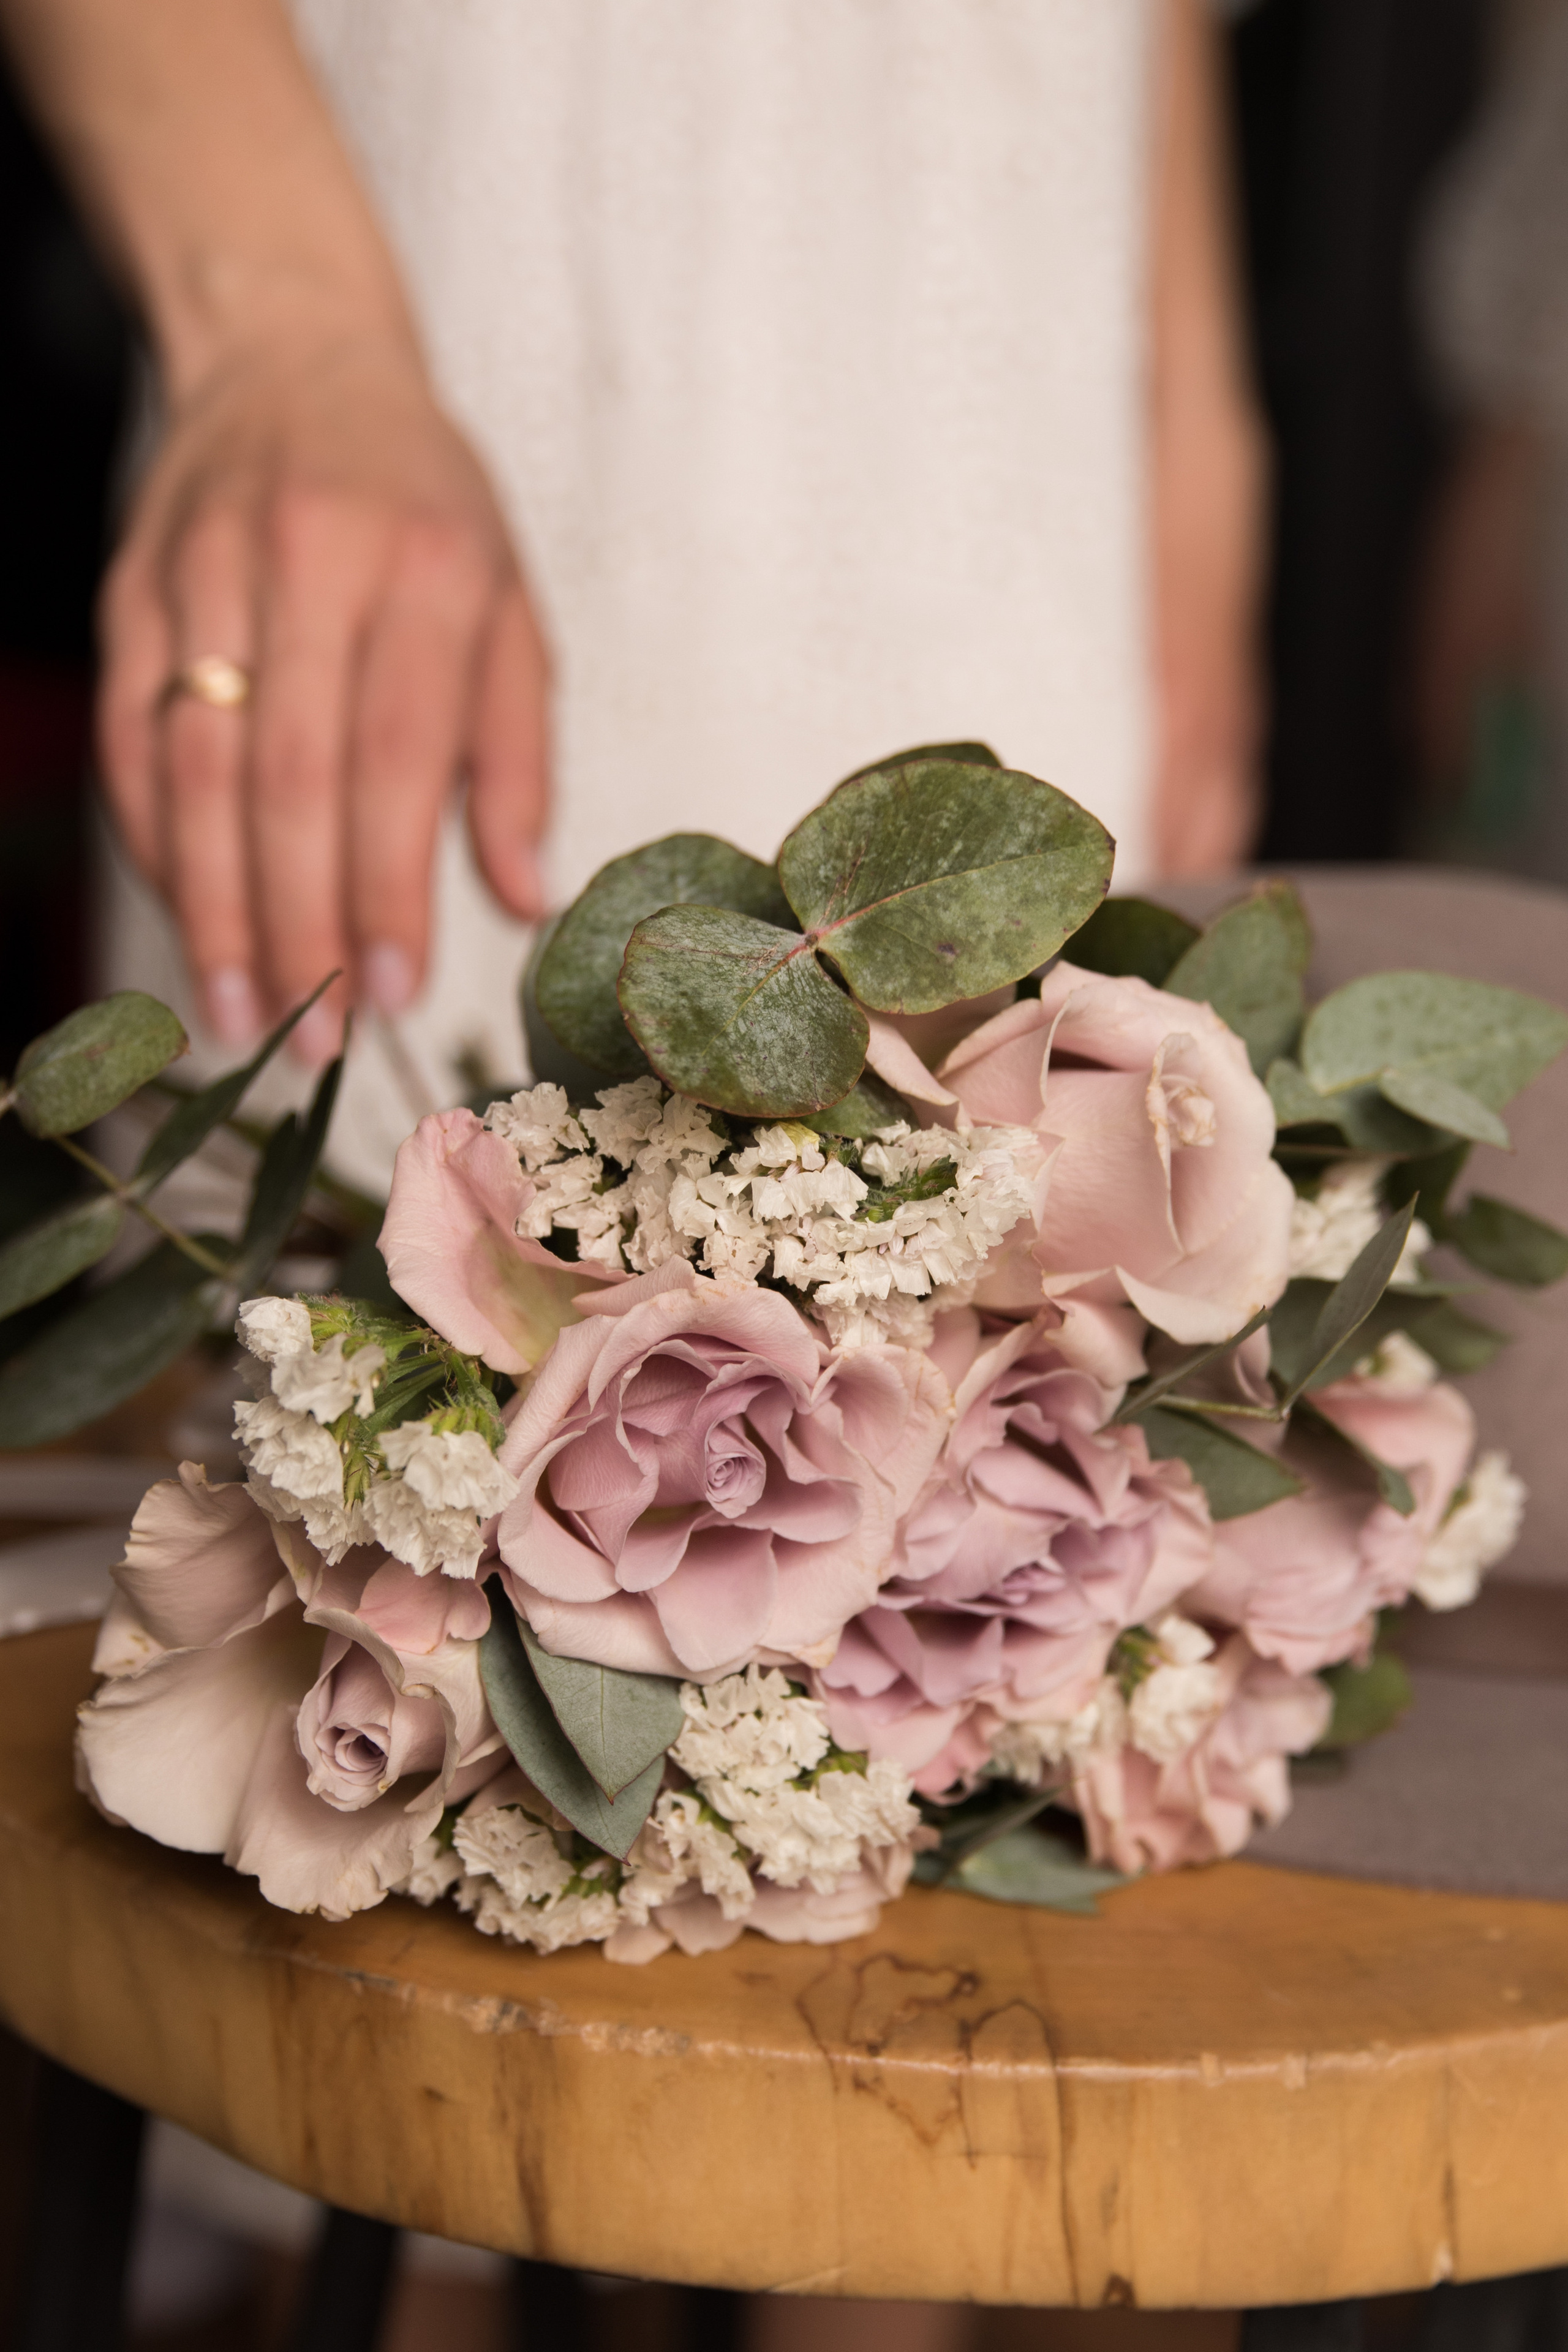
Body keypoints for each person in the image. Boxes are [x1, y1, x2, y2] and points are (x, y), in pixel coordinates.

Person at [0, 0, 1263, 1192]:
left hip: (1015, 381)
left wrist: (1195, 400)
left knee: (1008, 1234)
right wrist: (290, 335)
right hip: (393, 354)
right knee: (388, 1226)